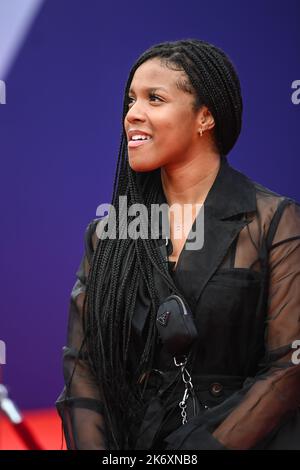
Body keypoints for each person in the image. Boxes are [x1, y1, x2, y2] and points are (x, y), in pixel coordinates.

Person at [56, 39, 300, 450]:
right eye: (130, 100)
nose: (133, 114)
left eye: (155, 98)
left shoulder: (274, 221)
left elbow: (288, 369)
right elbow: (85, 370)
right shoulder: (108, 234)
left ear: (205, 117)